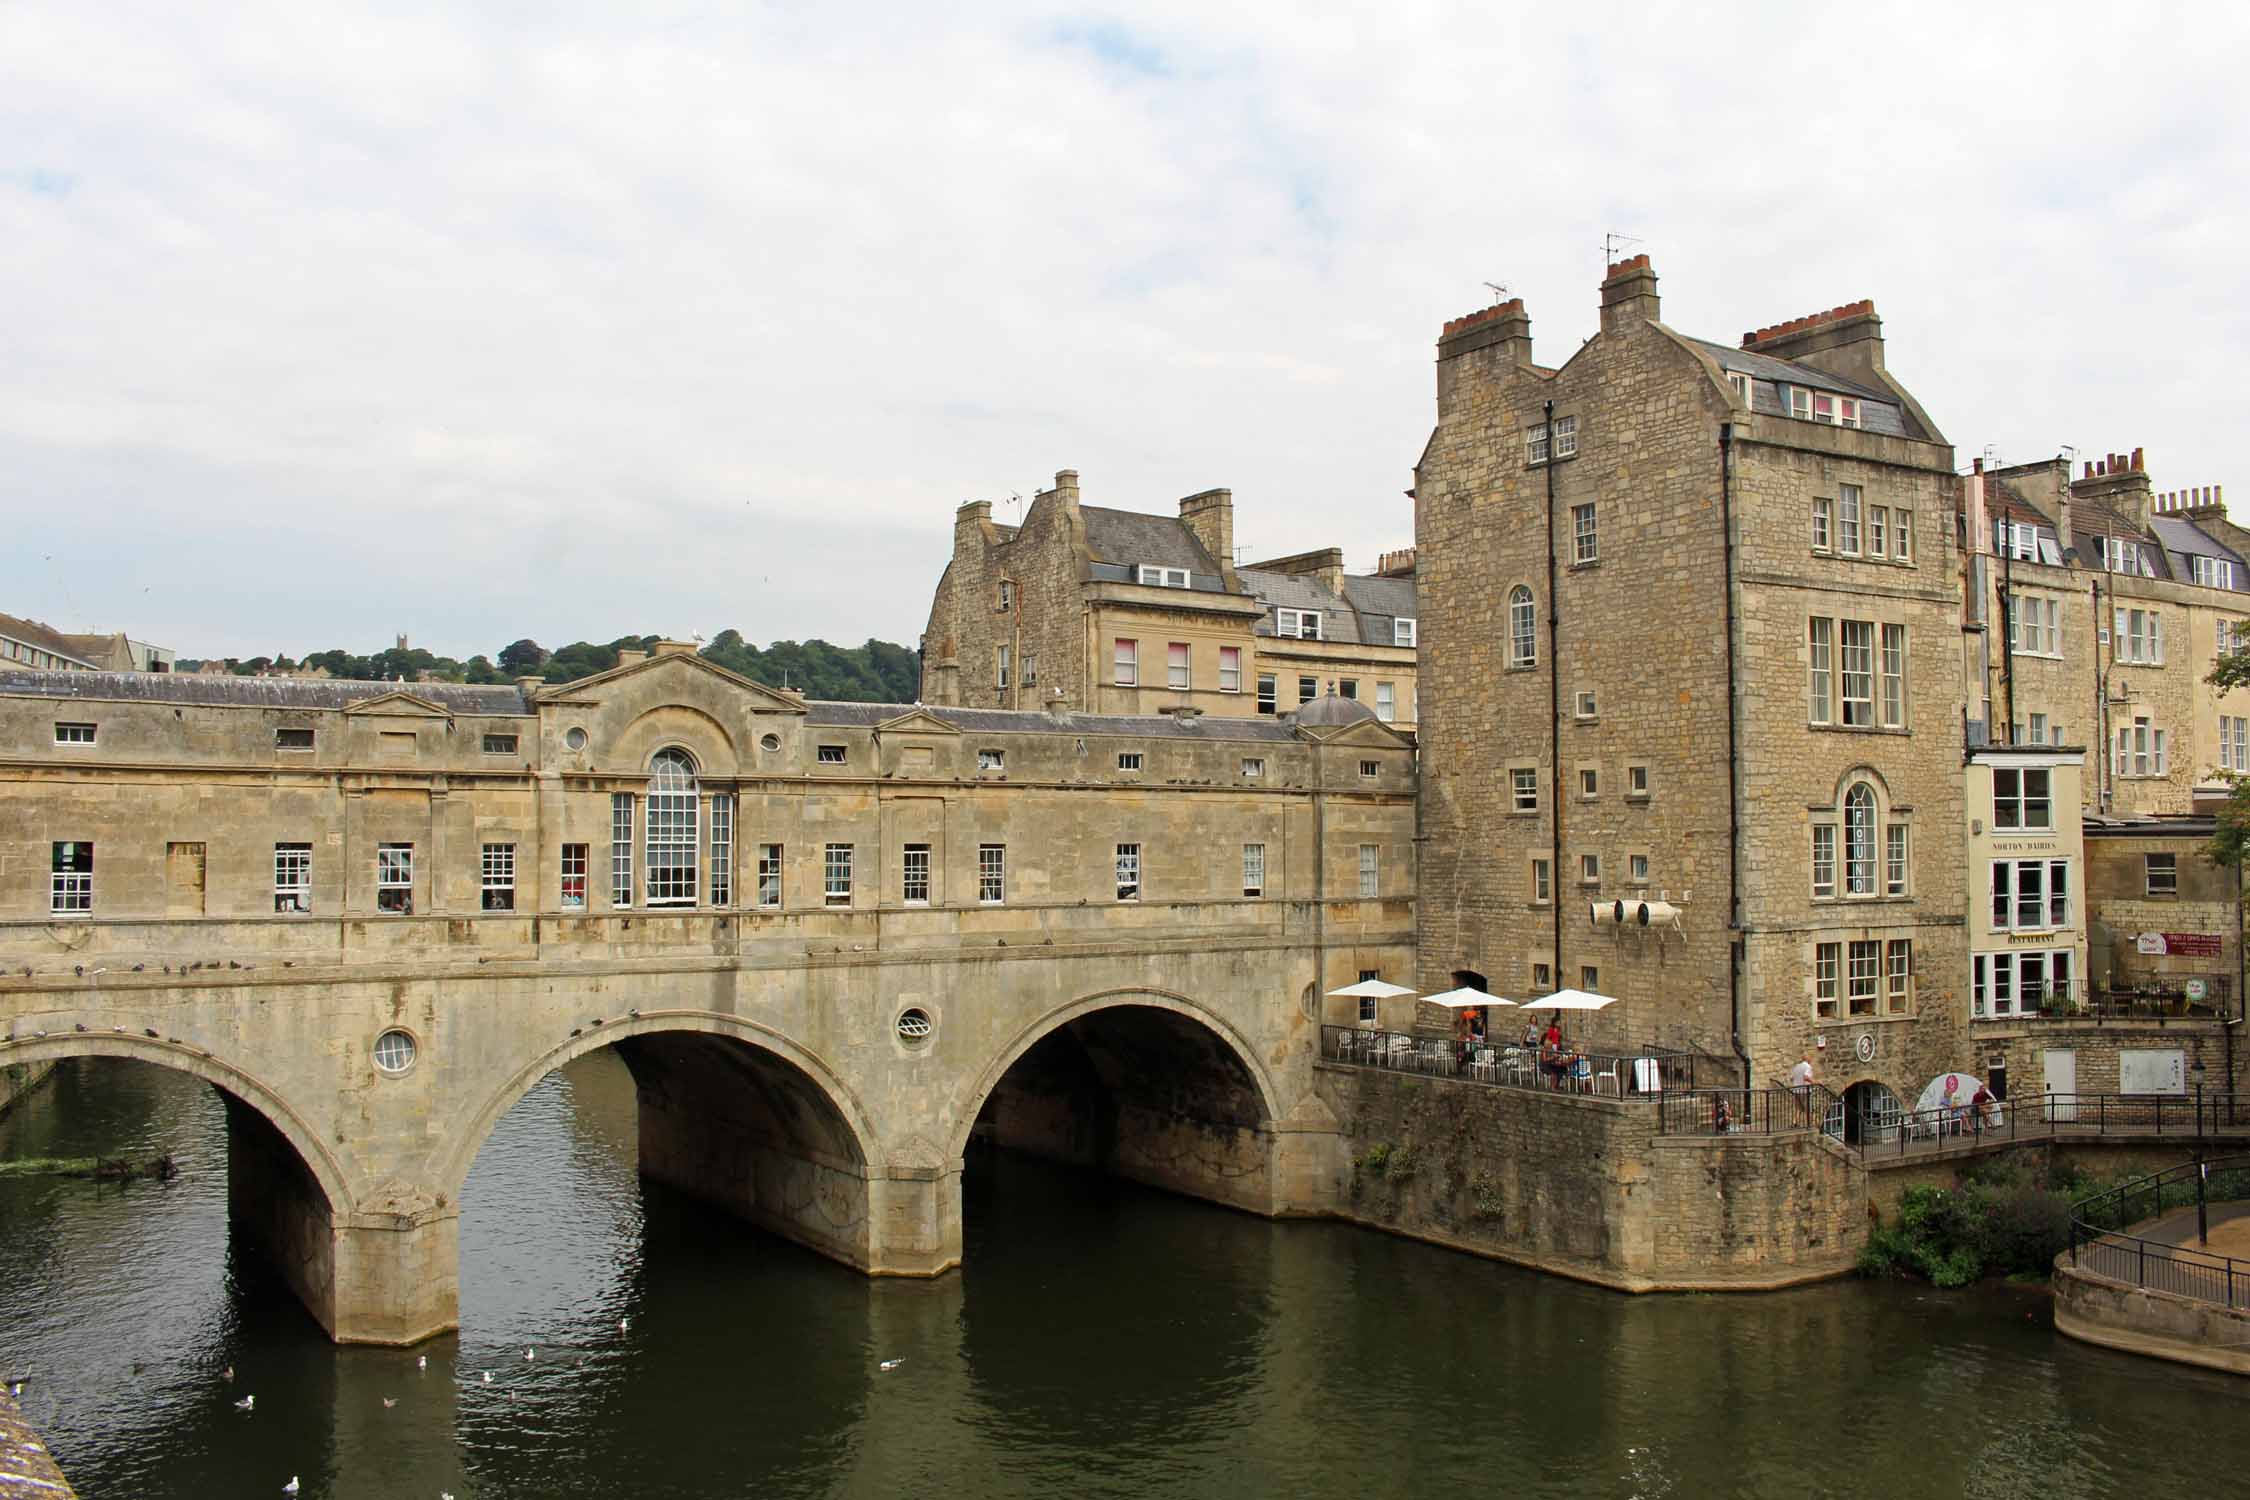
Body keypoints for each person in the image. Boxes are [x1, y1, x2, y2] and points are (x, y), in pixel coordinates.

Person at [1789, 1053, 1815, 1125]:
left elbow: (1791, 1078)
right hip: (1805, 1090)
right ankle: (1809, 1124)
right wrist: (1814, 1082)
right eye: (1810, 1058)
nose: (1811, 1059)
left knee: (1798, 1108)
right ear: (1807, 1059)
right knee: (1808, 1108)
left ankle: (1795, 1122)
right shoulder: (1808, 1067)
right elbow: (1806, 1077)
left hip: (1796, 1090)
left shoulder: (1796, 1066)